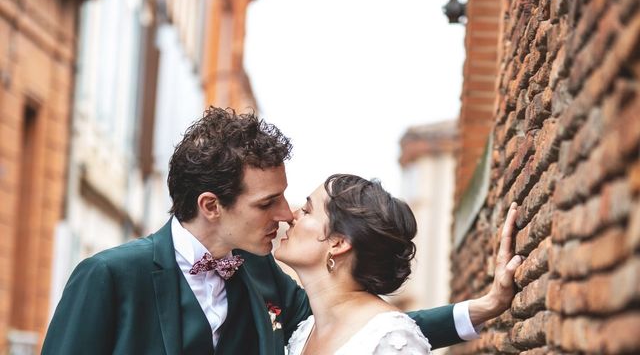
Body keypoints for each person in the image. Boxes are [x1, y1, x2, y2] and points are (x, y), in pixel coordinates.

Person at [42, 107, 522, 355]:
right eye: (266, 202)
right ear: (211, 206)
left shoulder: (261, 274)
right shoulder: (107, 277)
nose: (285, 213)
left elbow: (367, 335)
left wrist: (479, 309)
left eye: (287, 197)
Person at [278, 174, 431, 354]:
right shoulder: (305, 333)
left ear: (339, 243)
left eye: (306, 211)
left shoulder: (390, 337)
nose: (291, 216)